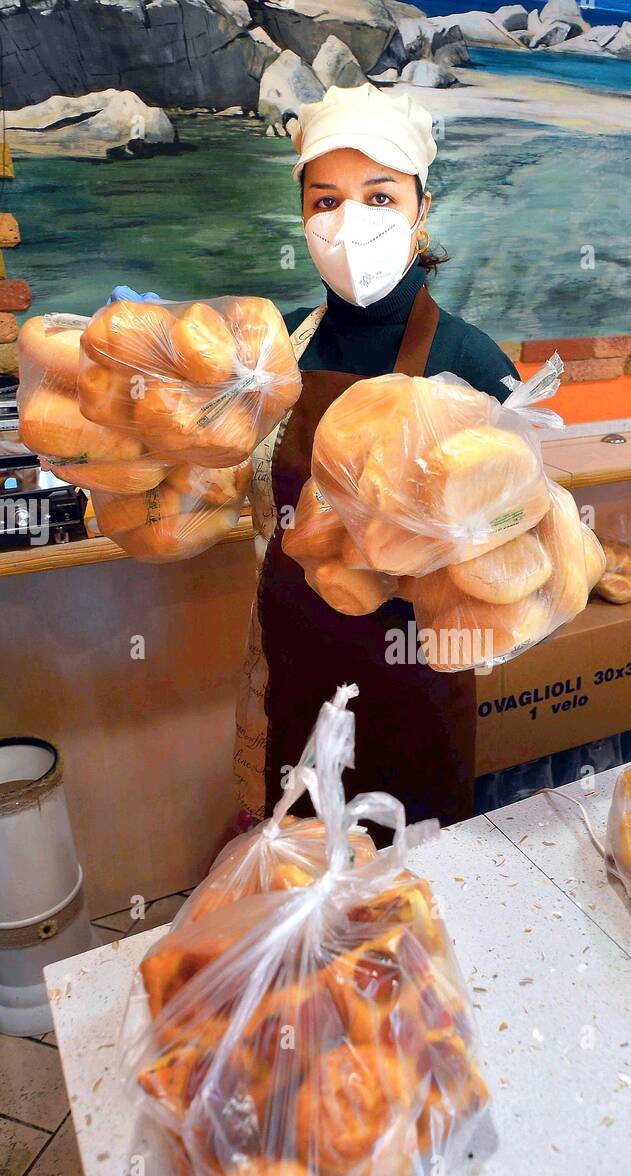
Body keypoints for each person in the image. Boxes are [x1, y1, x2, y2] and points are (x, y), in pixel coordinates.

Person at [111, 83, 520, 829]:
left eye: (378, 196)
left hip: (415, 684)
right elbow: (213, 489)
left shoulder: (474, 362)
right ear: (302, 218)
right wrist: (153, 414)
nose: (348, 221)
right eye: (325, 201)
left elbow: (519, 545)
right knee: (287, 877)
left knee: (402, 904)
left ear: (421, 209)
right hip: (286, 669)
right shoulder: (274, 350)